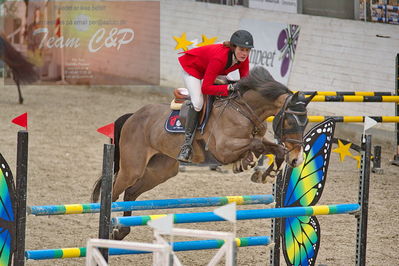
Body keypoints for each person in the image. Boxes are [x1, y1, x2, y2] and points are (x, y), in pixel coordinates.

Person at [177, 30, 254, 162]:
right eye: (242, 49)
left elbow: (244, 82)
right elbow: (206, 88)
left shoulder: (243, 59)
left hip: (213, 70)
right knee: (198, 103)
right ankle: (186, 146)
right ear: (234, 47)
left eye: (247, 50)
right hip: (193, 68)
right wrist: (229, 87)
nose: (245, 54)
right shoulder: (220, 58)